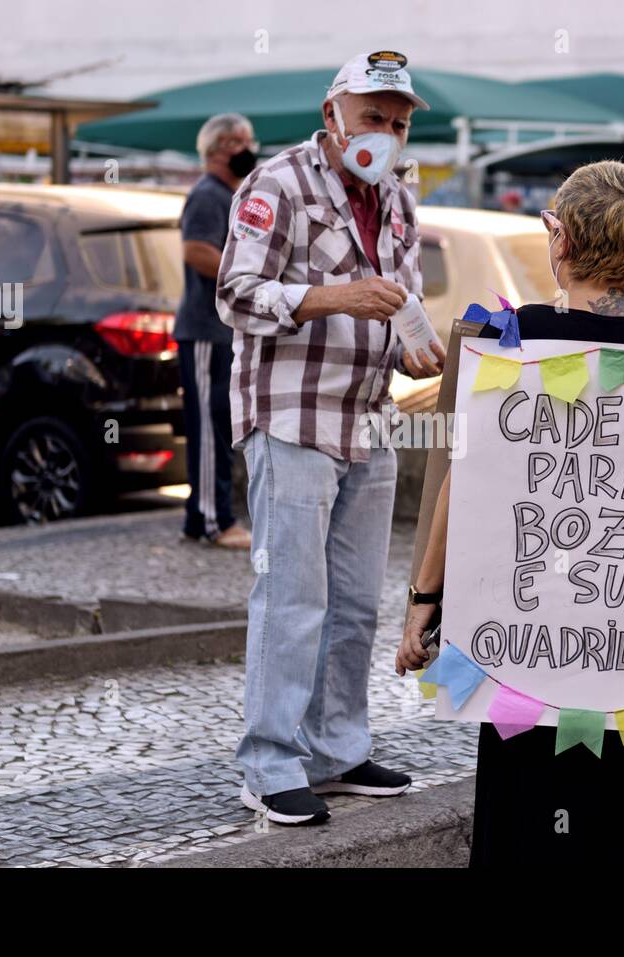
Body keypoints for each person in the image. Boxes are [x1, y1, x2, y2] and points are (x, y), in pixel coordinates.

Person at [397, 160, 624, 868]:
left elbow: (463, 486)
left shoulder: (515, 344)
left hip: (531, 654)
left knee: (539, 831)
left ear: (557, 237)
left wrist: (423, 600)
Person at [217, 51, 445, 826]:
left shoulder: (400, 203)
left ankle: (338, 750)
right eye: (373, 116)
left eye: (398, 123)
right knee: (292, 597)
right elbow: (235, 295)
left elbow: (400, 303)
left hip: (369, 419)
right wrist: (328, 296)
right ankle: (270, 761)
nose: (384, 132)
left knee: (352, 604)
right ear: (333, 114)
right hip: (290, 418)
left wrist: (416, 343)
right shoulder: (275, 183)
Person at [177, 114, 258, 549]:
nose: (242, 147)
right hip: (207, 330)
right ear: (210, 150)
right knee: (211, 425)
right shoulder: (209, 195)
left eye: (246, 139)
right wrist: (242, 275)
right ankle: (214, 520)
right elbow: (195, 251)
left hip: (221, 331)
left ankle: (199, 515)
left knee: (218, 423)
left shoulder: (233, 194)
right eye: (231, 141)